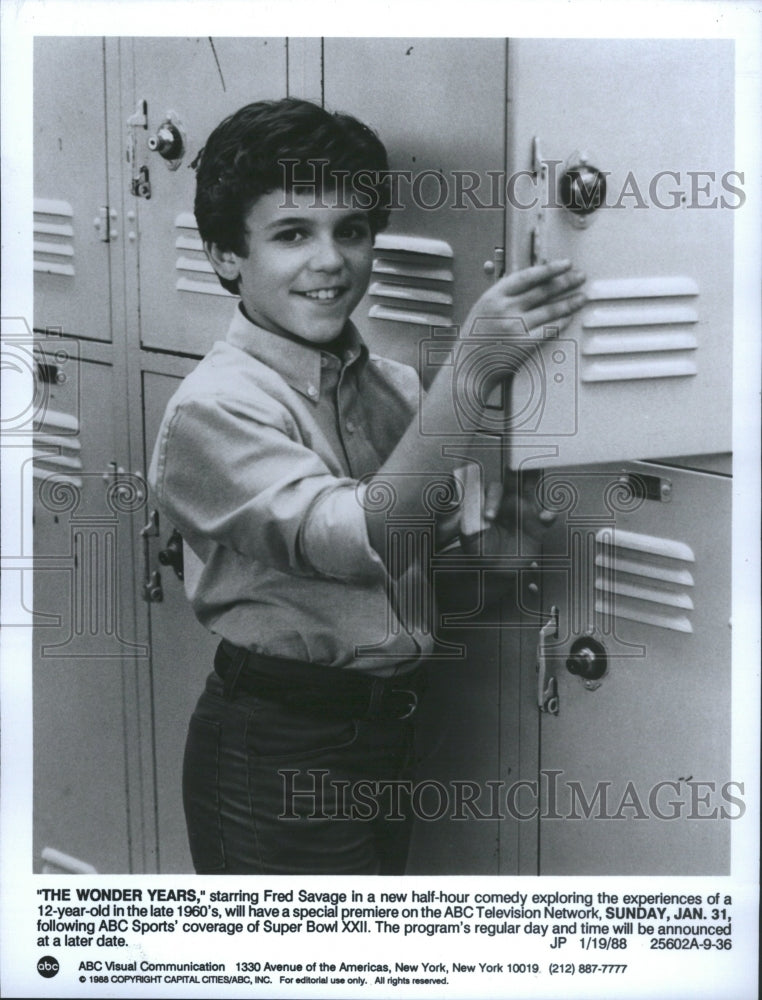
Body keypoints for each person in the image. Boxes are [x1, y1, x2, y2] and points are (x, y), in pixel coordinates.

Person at [148, 97, 586, 875]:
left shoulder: (389, 389)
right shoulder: (212, 410)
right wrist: (475, 367)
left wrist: (494, 559)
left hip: (383, 735)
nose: (331, 260)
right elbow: (359, 541)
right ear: (223, 256)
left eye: (351, 231)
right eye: (292, 234)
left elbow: (401, 572)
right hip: (276, 751)